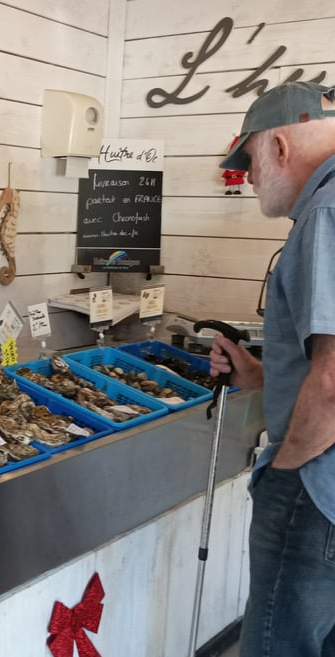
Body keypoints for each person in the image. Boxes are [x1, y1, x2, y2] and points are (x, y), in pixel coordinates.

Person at [211, 81, 335, 656]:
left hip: (316, 489)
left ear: (280, 147)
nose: (249, 178)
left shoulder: (326, 212)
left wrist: (284, 475)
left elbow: (332, 384)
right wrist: (260, 374)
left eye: (250, 162)